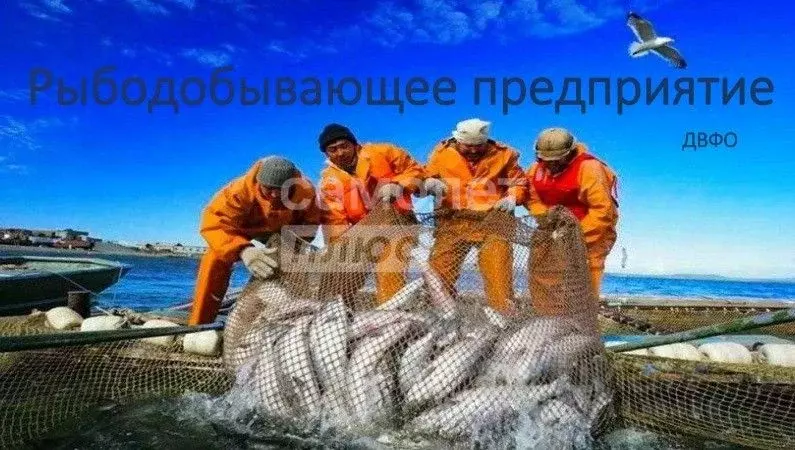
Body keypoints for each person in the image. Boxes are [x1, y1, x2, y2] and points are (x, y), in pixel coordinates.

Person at [187, 156, 322, 325]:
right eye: (269, 189)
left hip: (283, 232)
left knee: (297, 263)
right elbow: (214, 223)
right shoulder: (239, 190)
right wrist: (244, 250)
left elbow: (310, 224)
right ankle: (200, 323)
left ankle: (294, 316)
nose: (274, 195)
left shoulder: (306, 192)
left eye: (281, 190)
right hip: (242, 229)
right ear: (259, 182)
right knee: (214, 258)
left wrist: (291, 248)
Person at [422, 118, 528, 314]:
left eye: (478, 146)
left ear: (486, 141)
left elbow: (519, 183)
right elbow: (426, 176)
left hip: (493, 223)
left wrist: (513, 197)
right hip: (452, 222)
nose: (472, 150)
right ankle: (439, 317)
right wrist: (428, 183)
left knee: (499, 276)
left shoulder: (505, 155)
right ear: (457, 139)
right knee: (439, 276)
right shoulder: (440, 153)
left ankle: (504, 318)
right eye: (467, 146)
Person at [316, 123, 426, 305]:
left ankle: (391, 316)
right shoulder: (328, 182)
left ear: (354, 144)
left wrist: (398, 185)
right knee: (342, 275)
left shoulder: (383, 151)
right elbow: (334, 221)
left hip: (399, 222)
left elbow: (416, 171)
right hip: (363, 233)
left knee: (388, 272)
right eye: (332, 149)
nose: (340, 152)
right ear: (326, 154)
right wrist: (338, 251)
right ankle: (341, 312)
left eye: (344, 146)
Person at [525, 127, 619, 296]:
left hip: (591, 233)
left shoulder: (590, 169)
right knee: (542, 270)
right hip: (553, 229)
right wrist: (546, 220)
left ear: (570, 153)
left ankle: (583, 317)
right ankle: (548, 316)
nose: (551, 165)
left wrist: (571, 234)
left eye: (556, 160)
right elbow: (531, 197)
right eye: (545, 160)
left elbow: (602, 212)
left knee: (584, 279)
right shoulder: (534, 170)